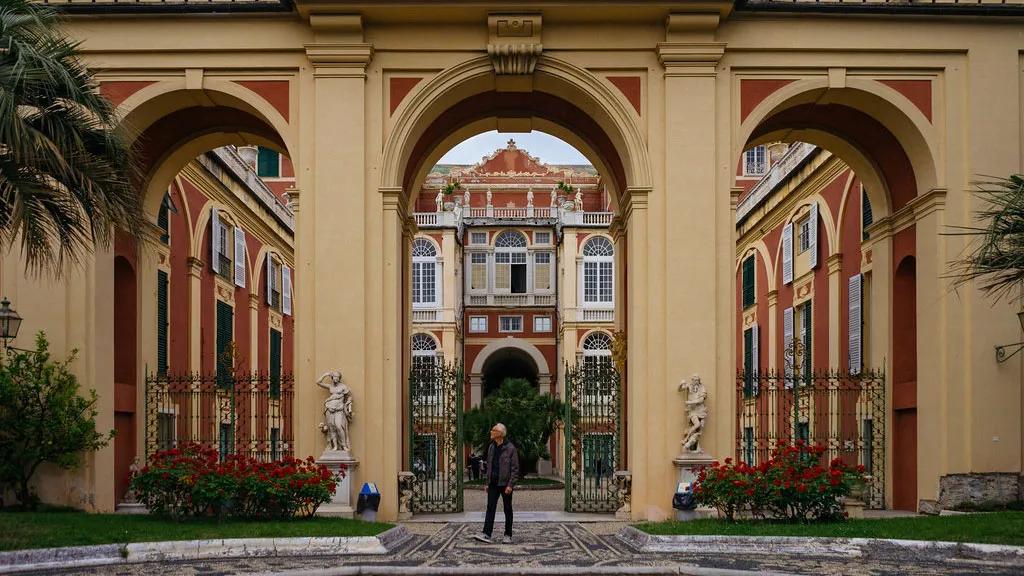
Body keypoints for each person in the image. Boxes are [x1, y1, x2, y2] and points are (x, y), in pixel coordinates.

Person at [473, 423, 519, 544]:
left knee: (507, 509)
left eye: (493, 430)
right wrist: (487, 482)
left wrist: (510, 485)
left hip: (505, 484)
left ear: (500, 433)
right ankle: (487, 534)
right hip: (493, 483)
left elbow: (515, 469)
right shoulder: (491, 447)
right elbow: (489, 466)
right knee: (490, 508)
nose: (491, 432)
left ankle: (508, 535)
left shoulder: (510, 448)